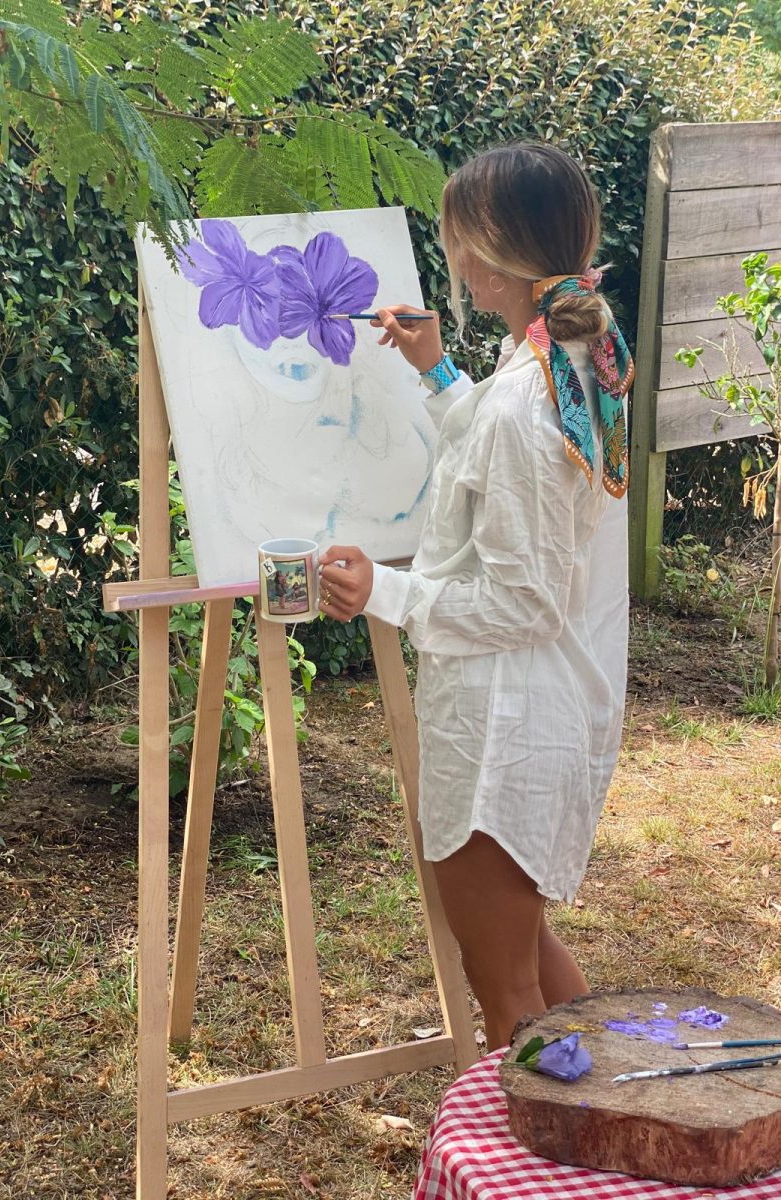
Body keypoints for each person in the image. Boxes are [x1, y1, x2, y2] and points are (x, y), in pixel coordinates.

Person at [317, 142, 633, 1052]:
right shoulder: (569, 354)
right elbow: (504, 467)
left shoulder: (528, 399)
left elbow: (522, 601)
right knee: (530, 964)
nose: (451, 257)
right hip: (535, 710)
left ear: (484, 258)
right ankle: (609, 1118)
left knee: (508, 999)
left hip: (504, 731)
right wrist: (437, 372)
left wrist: (384, 590)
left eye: (457, 238)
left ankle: (546, 1142)